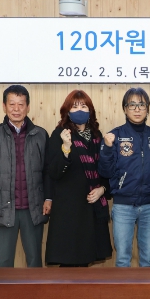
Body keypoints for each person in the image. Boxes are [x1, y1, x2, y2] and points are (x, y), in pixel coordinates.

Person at [0, 85, 51, 268]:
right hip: (1, 207)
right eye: (12, 104)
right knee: (4, 261)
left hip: (33, 207)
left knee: (35, 261)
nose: (16, 109)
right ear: (4, 107)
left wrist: (48, 197)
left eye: (21, 104)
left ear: (28, 107)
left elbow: (47, 170)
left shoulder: (40, 134)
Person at [45, 90, 112, 267]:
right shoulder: (59, 134)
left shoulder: (97, 136)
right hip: (69, 211)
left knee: (86, 261)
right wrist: (66, 148)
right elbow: (54, 172)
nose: (80, 110)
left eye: (83, 106)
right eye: (75, 107)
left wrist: (102, 189)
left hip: (91, 208)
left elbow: (106, 169)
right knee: (69, 263)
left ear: (90, 110)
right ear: (67, 111)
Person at [99, 87, 150, 267]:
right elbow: (105, 172)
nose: (137, 109)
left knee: (147, 259)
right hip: (123, 206)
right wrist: (107, 148)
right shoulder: (115, 136)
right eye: (132, 105)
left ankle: (146, 288)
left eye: (141, 104)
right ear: (125, 109)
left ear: (147, 108)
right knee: (122, 259)